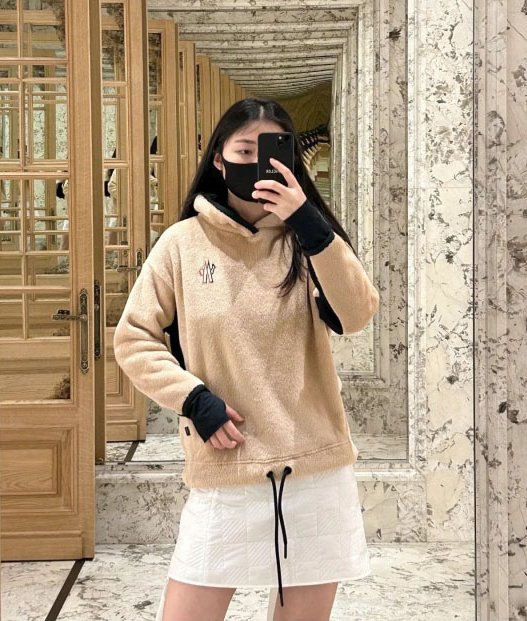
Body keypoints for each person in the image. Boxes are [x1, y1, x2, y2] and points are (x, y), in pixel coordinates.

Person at [112, 97, 379, 621]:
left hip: (313, 471)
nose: (258, 161)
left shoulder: (309, 241)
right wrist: (194, 400)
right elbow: (133, 338)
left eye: (272, 149)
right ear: (218, 159)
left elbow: (356, 314)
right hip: (226, 467)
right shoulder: (182, 244)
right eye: (244, 150)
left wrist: (309, 222)